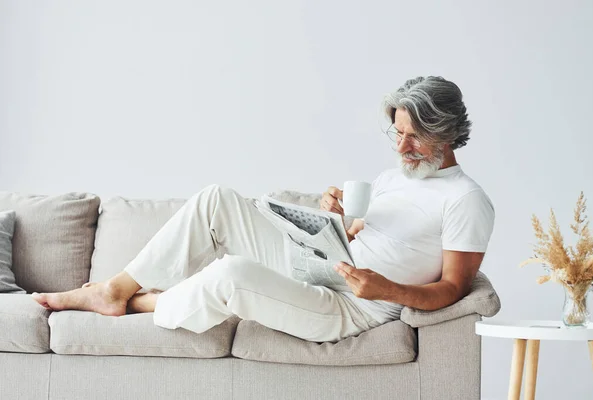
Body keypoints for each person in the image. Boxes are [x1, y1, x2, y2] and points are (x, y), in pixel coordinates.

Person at [31, 76, 495, 343]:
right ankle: (115, 288)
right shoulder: (397, 176)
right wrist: (330, 220)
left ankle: (136, 303)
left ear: (449, 131)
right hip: (329, 269)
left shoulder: (466, 199)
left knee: (231, 274)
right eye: (397, 133)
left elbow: (453, 288)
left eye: (415, 136)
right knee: (217, 200)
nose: (402, 146)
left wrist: (388, 289)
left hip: (356, 308)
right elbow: (358, 237)